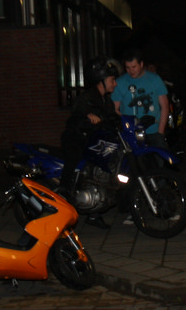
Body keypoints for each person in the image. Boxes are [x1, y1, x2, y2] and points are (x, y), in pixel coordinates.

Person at [59, 56, 120, 229]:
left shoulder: (106, 100)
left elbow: (112, 117)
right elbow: (78, 112)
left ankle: (95, 212)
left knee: (100, 173)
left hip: (93, 141)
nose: (115, 83)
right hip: (77, 139)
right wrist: (87, 116)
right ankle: (64, 193)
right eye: (112, 80)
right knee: (74, 160)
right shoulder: (87, 97)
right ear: (101, 80)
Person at [112, 49, 170, 148]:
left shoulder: (155, 79)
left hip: (153, 132)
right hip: (130, 134)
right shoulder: (120, 82)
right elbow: (115, 109)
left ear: (141, 64)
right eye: (128, 68)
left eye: (134, 67)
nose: (131, 71)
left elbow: (164, 106)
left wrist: (160, 132)